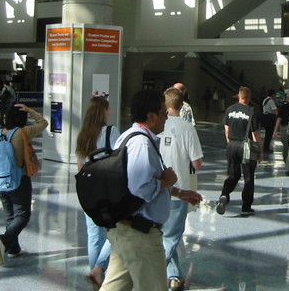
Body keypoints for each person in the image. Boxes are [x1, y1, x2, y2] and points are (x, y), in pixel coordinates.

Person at [101, 89, 202, 291]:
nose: (167, 118)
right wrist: (167, 181)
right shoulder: (141, 143)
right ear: (151, 116)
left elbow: (141, 181)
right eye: (164, 113)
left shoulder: (129, 136)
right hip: (140, 236)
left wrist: (179, 192)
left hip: (127, 232)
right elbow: (140, 189)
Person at [0, 104, 48, 266]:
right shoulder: (23, 132)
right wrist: (30, 110)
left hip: (0, 179)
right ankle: (4, 241)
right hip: (19, 179)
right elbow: (44, 123)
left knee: (10, 215)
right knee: (22, 215)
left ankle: (14, 249)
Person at [160, 87, 204, 291]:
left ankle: (174, 276)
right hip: (180, 190)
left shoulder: (156, 125)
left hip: (157, 190)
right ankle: (155, 269)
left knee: (164, 234)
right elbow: (197, 163)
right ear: (182, 104)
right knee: (172, 237)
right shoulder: (188, 128)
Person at [75, 96, 120, 290]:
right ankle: (99, 269)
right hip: (108, 188)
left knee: (94, 235)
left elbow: (79, 165)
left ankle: (95, 274)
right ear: (103, 112)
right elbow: (120, 159)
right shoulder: (111, 131)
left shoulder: (83, 134)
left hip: (88, 189)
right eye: (107, 109)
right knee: (117, 231)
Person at [216, 86, 262, 217]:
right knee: (248, 177)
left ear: (239, 96)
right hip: (245, 147)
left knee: (232, 174)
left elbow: (226, 130)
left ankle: (224, 194)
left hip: (232, 144)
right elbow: (255, 134)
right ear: (249, 98)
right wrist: (260, 151)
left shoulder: (229, 110)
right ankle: (246, 207)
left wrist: (230, 143)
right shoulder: (251, 112)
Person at [260, 89, 278, 154]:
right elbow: (274, 110)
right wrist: (278, 117)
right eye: (275, 95)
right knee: (269, 134)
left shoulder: (264, 100)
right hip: (270, 118)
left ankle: (265, 146)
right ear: (273, 95)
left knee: (267, 133)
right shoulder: (271, 101)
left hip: (264, 117)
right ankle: (266, 147)